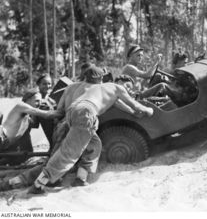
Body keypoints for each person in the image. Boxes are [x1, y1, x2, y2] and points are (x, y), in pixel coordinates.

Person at [28, 65, 154, 194]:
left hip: (71, 113)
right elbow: (138, 106)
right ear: (101, 79)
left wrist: (132, 111)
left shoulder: (80, 87)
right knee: (68, 153)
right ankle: (39, 184)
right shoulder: (114, 87)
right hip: (86, 113)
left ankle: (80, 178)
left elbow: (60, 111)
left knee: (94, 145)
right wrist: (149, 110)